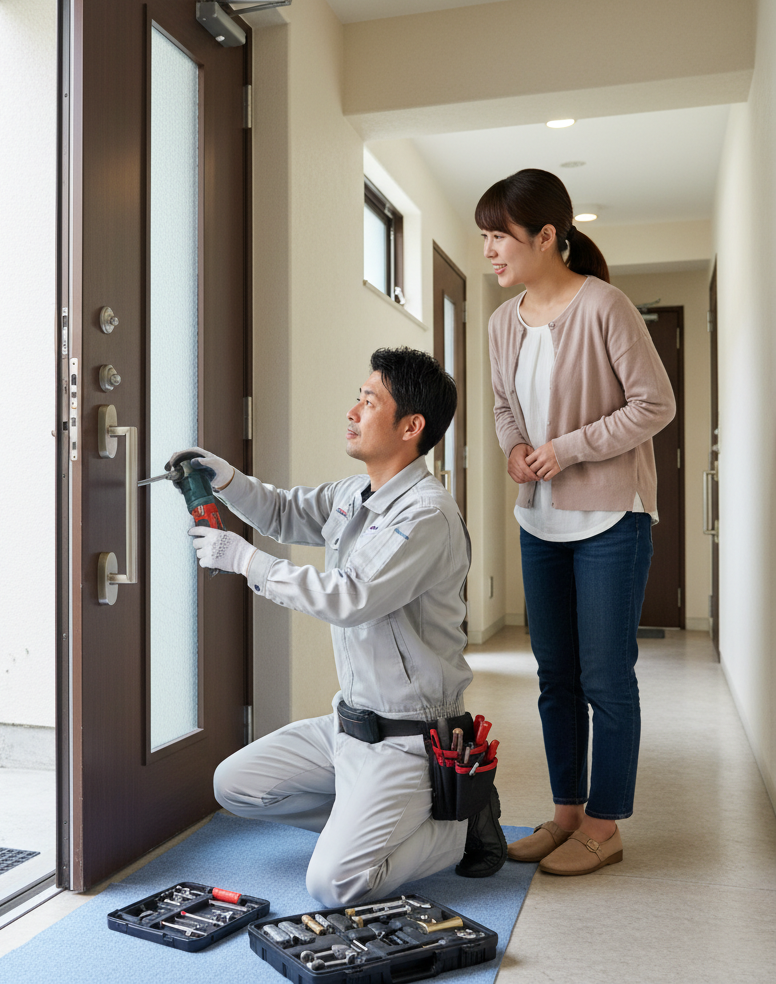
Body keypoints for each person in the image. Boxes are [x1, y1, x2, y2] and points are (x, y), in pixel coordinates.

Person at [165, 346, 506, 907]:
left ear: (411, 427)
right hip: (346, 728)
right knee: (235, 785)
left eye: (369, 401)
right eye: (358, 396)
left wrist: (245, 560)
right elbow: (283, 512)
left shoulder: (426, 514)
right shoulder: (354, 493)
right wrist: (226, 479)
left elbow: (351, 598)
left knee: (335, 885)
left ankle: (458, 825)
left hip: (409, 741)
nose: (352, 411)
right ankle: (373, 821)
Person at [481, 169, 676, 876]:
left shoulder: (605, 306)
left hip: (610, 518)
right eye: (484, 237)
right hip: (540, 521)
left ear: (546, 236)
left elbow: (654, 404)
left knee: (606, 679)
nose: (490, 250)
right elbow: (504, 405)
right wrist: (513, 448)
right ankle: (566, 813)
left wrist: (565, 449)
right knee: (554, 676)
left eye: (500, 236)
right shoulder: (502, 322)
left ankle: (604, 824)